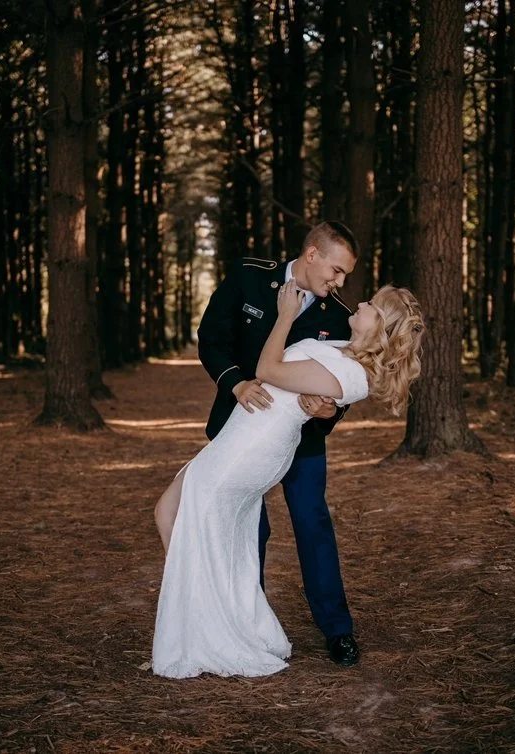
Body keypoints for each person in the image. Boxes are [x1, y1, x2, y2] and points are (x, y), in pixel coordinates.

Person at [151, 279, 424, 679]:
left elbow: (269, 370)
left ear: (379, 325)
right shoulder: (342, 350)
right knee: (186, 521)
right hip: (241, 436)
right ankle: (213, 614)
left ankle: (209, 622)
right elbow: (293, 377)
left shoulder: (354, 372)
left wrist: (285, 317)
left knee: (181, 518)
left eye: (370, 304)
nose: (358, 300)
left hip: (251, 447)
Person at [199, 221, 359, 665]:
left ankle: (337, 628)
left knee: (312, 522)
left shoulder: (338, 316)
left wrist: (331, 411)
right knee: (249, 525)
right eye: (336, 269)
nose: (339, 281)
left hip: (301, 440)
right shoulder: (251, 276)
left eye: (345, 275)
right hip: (241, 427)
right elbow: (212, 340)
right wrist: (235, 385)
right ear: (311, 254)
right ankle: (247, 625)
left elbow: (341, 383)